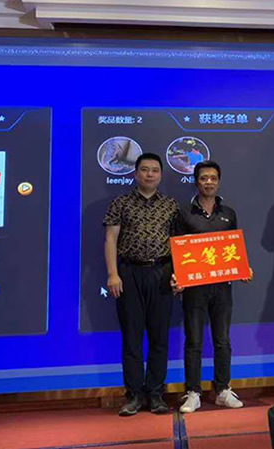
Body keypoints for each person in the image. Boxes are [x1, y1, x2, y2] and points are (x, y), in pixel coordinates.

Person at [171, 161, 253, 413]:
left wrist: (243, 268)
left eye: (213, 178)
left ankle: (223, 389)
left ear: (219, 181)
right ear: (196, 181)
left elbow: (233, 248)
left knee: (222, 340)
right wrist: (178, 276)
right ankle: (193, 392)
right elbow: (176, 247)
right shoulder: (184, 213)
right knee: (194, 340)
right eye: (204, 178)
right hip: (194, 287)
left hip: (222, 286)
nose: (209, 182)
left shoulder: (228, 213)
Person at [103, 153, 180, 416]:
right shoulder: (121, 203)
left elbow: (177, 244)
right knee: (132, 337)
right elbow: (110, 239)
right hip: (129, 273)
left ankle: (156, 394)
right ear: (135, 174)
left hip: (161, 273)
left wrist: (178, 274)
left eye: (155, 170)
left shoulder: (171, 205)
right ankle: (134, 394)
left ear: (161, 175)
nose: (149, 174)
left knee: (159, 338)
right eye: (145, 170)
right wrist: (113, 274)